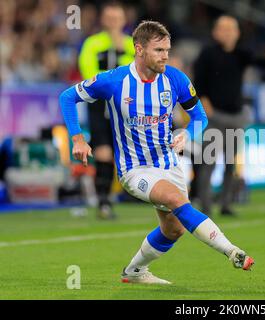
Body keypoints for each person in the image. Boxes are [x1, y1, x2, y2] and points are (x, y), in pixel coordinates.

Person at [59, 20, 254, 284]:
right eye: (159, 50)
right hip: (134, 169)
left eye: (167, 50)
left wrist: (188, 133)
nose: (165, 56)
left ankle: (134, 271)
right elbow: (67, 97)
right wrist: (78, 138)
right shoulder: (114, 81)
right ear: (139, 49)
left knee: (173, 229)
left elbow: (200, 118)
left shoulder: (175, 79)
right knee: (176, 200)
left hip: (168, 164)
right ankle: (231, 251)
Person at [192, 15, 265, 216]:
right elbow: (198, 83)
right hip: (214, 117)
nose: (227, 32)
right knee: (209, 162)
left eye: (231, 28)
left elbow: (263, 62)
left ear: (237, 33)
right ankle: (205, 206)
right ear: (215, 32)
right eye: (223, 28)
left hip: (236, 117)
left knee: (230, 163)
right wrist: (205, 105)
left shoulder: (241, 54)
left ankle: (225, 204)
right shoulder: (207, 54)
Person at [78, 1, 135, 219]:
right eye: (109, 18)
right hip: (101, 104)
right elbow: (88, 71)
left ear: (123, 20)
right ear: (103, 20)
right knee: (103, 150)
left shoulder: (132, 44)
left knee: (123, 152)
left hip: (127, 106)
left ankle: (135, 193)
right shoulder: (93, 43)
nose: (113, 22)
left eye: (117, 18)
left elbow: (141, 70)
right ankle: (103, 201)